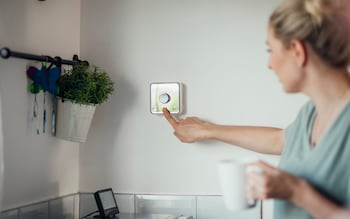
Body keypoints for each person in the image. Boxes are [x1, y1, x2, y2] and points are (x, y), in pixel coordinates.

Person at [162, 0, 350, 218]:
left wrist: (296, 192)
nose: (269, 63)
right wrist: (206, 130)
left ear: (297, 51)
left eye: (270, 50)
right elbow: (280, 140)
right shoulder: (311, 114)